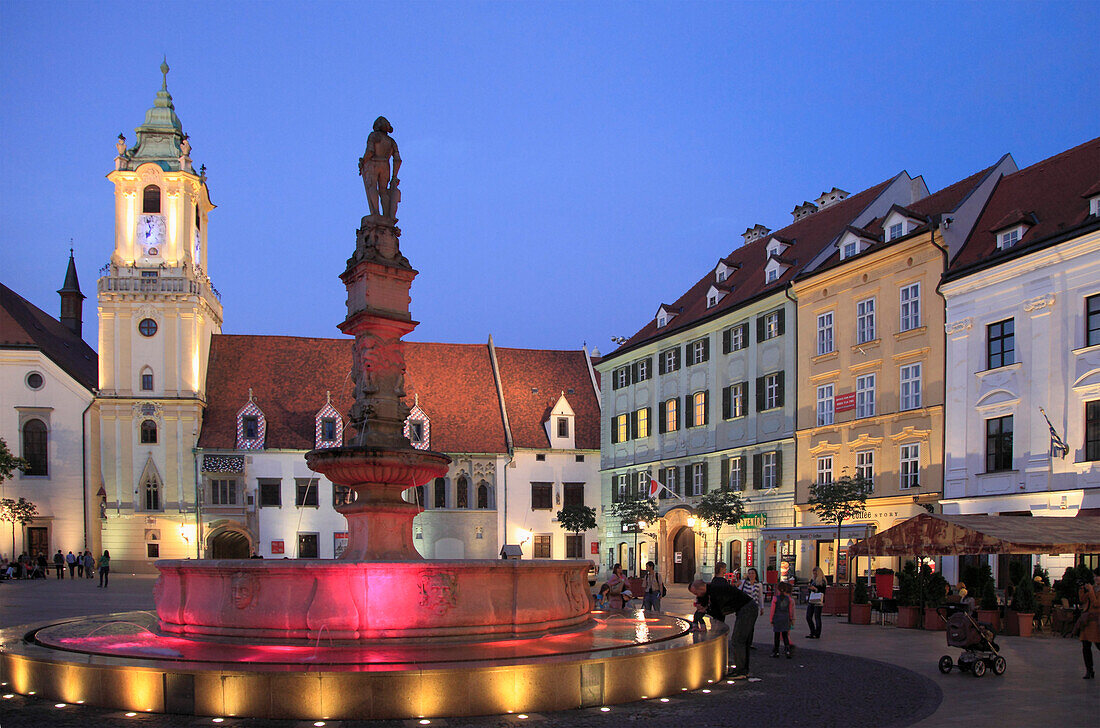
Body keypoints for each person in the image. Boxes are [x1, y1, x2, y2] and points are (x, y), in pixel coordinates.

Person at [689, 576, 758, 678]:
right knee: (742, 641)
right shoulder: (710, 590)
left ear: (701, 589)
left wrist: (706, 610)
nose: (696, 596)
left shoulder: (716, 591)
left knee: (738, 640)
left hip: (747, 609)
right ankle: (743, 669)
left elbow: (720, 612)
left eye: (696, 593)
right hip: (746, 608)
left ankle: (741, 672)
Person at [1079, 568, 1100, 679]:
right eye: (1095, 576)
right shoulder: (1094, 588)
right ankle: (1089, 670)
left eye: (1098, 576)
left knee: (1098, 644)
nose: (1096, 578)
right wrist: (1082, 589)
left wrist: (1091, 590)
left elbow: (1096, 604)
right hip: (1088, 622)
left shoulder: (1095, 590)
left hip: (1097, 622)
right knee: (1085, 645)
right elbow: (1083, 599)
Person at [740, 567, 766, 650]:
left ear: (755, 575)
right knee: (744, 625)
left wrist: (762, 607)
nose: (751, 575)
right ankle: (743, 641)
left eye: (753, 573)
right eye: (750, 573)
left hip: (754, 607)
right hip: (744, 607)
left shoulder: (759, 585)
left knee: (751, 625)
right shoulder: (743, 583)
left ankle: (749, 642)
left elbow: (760, 596)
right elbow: (738, 592)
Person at [771, 581, 795, 658]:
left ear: (778, 589)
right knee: (785, 635)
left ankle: (776, 651)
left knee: (777, 635)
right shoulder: (789, 599)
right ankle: (787, 650)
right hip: (786, 618)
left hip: (777, 618)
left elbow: (772, 610)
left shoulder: (775, 599)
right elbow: (790, 610)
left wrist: (771, 619)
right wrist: (791, 619)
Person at [806, 566, 827, 639]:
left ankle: (817, 633)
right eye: (813, 574)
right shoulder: (812, 580)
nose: (814, 575)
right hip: (812, 599)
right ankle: (812, 631)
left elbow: (823, 591)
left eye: (815, 574)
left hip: (818, 600)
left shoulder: (822, 581)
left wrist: (815, 589)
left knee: (817, 617)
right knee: (808, 616)